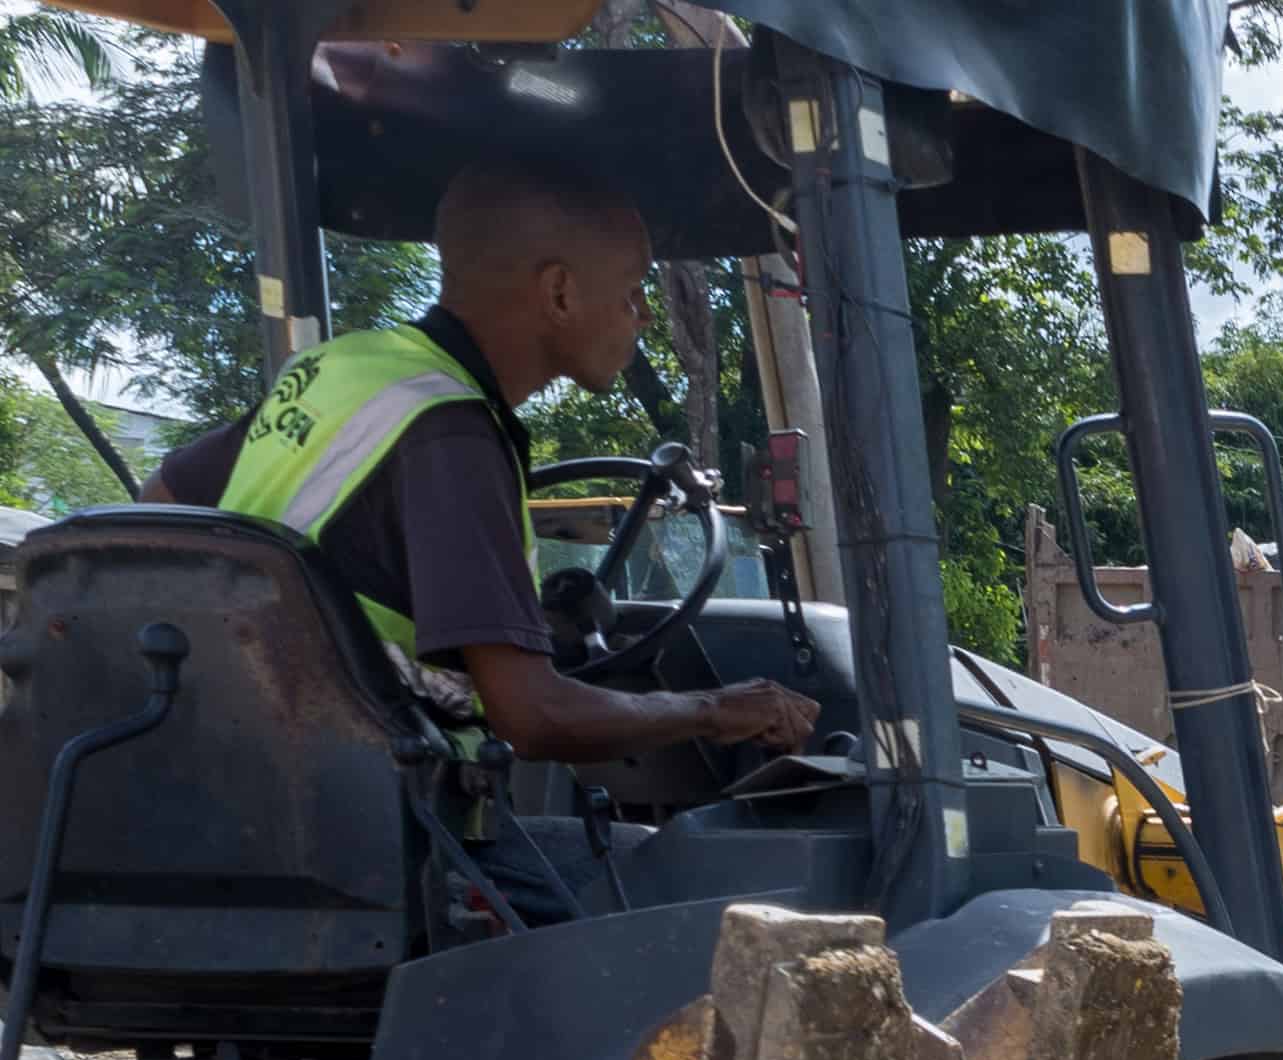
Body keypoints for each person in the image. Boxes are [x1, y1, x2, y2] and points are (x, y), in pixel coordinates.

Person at [148, 157, 818, 763]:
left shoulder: (344, 368)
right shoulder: (454, 435)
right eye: (632, 291)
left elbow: (154, 508)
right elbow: (533, 718)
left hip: (257, 775)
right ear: (560, 294)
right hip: (382, 835)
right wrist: (713, 710)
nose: (640, 316)